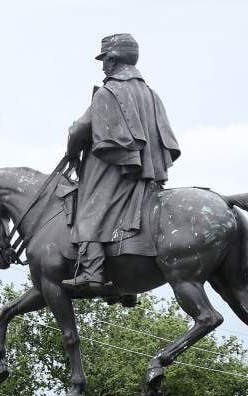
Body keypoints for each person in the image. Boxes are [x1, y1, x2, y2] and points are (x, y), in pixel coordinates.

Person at [62, 33, 181, 293]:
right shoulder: (151, 94)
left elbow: (80, 129)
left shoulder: (108, 92)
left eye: (104, 59)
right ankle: (126, 289)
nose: (103, 65)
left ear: (114, 59)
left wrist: (72, 151)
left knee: (89, 212)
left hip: (113, 170)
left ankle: (92, 272)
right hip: (148, 173)